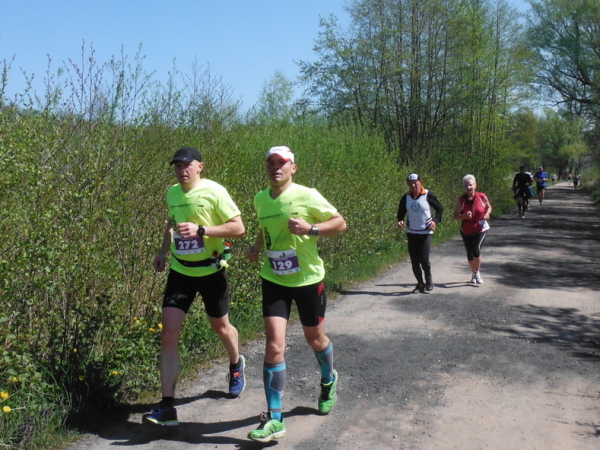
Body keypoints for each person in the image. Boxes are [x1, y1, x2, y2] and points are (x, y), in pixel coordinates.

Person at [246, 146, 347, 443]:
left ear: (293, 168)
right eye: (271, 163)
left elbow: (340, 223)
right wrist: (256, 246)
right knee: (274, 344)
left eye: (282, 163)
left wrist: (311, 229)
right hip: (273, 278)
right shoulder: (261, 198)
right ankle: (275, 418)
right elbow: (265, 228)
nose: (276, 167)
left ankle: (328, 379)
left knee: (315, 339)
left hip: (308, 280)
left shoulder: (308, 195)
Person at [144, 147, 246, 427]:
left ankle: (236, 364)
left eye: (187, 165)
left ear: (200, 166)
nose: (182, 170)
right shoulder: (172, 193)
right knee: (168, 334)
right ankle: (167, 407)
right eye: (177, 166)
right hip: (181, 271)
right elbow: (171, 224)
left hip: (211, 271)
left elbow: (238, 228)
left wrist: (202, 230)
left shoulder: (214, 191)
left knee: (221, 327)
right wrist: (162, 252)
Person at [396, 173, 444, 293]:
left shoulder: (428, 195)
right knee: (414, 260)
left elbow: (440, 209)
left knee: (424, 258)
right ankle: (420, 284)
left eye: (415, 183)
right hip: (412, 232)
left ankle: (428, 279)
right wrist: (400, 221)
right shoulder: (406, 197)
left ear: (420, 182)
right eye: (410, 183)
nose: (413, 185)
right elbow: (401, 212)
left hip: (425, 231)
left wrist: (435, 221)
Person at [453, 174, 492, 284]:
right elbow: (455, 216)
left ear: (475, 185)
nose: (469, 187)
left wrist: (487, 214)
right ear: (464, 187)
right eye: (466, 185)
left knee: (476, 249)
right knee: (470, 253)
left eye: (470, 185)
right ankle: (474, 273)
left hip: (480, 227)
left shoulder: (481, 196)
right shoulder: (462, 200)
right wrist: (464, 215)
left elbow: (488, 206)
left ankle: (477, 273)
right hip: (467, 229)